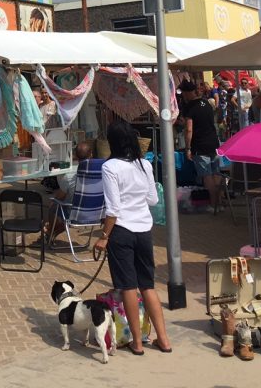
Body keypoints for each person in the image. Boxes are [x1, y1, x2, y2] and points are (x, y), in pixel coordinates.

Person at [95, 120, 172, 355]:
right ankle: (164, 339)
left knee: (127, 286)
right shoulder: (144, 165)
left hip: (121, 232)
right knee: (147, 285)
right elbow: (153, 199)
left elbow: (113, 209)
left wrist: (104, 236)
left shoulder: (110, 168)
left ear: (112, 143)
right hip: (143, 231)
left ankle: (137, 342)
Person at [180, 79, 222, 213]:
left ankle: (213, 204)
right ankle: (220, 203)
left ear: (187, 93)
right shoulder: (207, 102)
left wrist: (188, 148)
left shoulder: (190, 107)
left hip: (200, 144)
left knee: (207, 175)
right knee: (216, 173)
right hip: (214, 142)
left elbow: (189, 129)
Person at [46, 141, 94, 243]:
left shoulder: (69, 174)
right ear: (91, 154)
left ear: (76, 156)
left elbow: (61, 196)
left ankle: (50, 231)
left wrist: (53, 200)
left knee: (54, 204)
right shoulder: (100, 172)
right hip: (95, 214)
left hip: (75, 214)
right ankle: (52, 232)